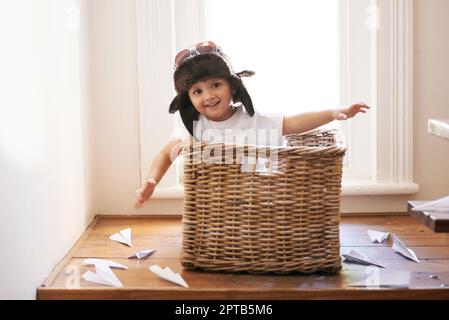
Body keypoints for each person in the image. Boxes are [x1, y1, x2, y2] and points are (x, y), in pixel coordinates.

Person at [134, 41, 369, 208]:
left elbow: (295, 122)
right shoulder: (195, 128)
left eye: (215, 85)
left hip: (256, 206)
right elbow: (166, 154)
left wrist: (334, 112)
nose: (208, 96)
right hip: (213, 208)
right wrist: (152, 181)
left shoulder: (253, 120)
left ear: (232, 86)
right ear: (189, 99)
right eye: (197, 91)